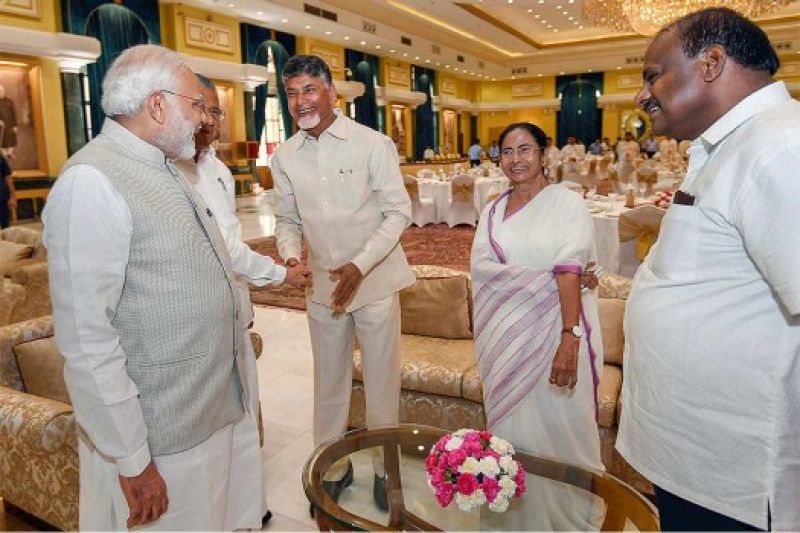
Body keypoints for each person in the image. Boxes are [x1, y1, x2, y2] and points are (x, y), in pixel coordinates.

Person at [43, 45, 261, 530]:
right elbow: (86, 339)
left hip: (205, 411)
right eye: (196, 105)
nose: (204, 119)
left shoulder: (166, 166)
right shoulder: (91, 182)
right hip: (158, 437)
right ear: (157, 105)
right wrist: (131, 458)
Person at [617, 8, 800, 531]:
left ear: (712, 63)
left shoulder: (778, 145)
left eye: (654, 74)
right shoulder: (734, 145)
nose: (641, 94)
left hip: (736, 480)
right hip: (699, 461)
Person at [271, 55, 414, 513]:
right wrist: (292, 255)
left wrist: (360, 264)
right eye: (292, 92)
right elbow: (287, 219)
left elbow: (398, 212)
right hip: (323, 292)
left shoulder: (371, 144)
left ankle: (385, 474)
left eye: (309, 89)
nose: (301, 101)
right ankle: (330, 472)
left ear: (331, 92)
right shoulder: (284, 156)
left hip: (374, 284)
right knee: (329, 387)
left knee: (380, 388)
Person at [174, 73, 309, 526]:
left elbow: (228, 243)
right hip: (193, 325)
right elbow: (224, 250)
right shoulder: (168, 172)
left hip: (235, 315)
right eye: (202, 109)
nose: (210, 121)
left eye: (216, 112)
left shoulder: (216, 170)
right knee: (210, 432)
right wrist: (280, 275)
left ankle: (247, 509)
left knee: (244, 417)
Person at [471, 122, 604, 528]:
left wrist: (569, 337)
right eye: (507, 152)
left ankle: (568, 521)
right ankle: (512, 520)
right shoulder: (492, 210)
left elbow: (570, 267)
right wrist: (544, 276)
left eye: (525, 149)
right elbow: (481, 269)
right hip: (503, 343)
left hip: (557, 337)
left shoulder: (566, 204)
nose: (516, 160)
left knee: (561, 430)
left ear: (544, 154)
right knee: (512, 435)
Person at [0, 85, 17, 158]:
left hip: (10, 124)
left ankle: (10, 153)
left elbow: (14, 113)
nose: (1, 92)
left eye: (2, 91)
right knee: (3, 139)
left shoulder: (9, 101)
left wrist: (15, 125)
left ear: (4, 91)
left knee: (11, 139)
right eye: (0, 91)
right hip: (1, 125)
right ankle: (4, 154)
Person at [0, 152, 15, 228]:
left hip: (2, 197)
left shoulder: (1, 158)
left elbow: (8, 178)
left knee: (5, 226)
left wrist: (12, 196)